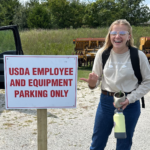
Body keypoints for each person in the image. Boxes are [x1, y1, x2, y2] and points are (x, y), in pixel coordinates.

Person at [80, 19, 150, 150]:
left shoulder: (138, 55)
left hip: (130, 104)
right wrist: (92, 84)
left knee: (123, 145)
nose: (118, 36)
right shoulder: (102, 53)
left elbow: (147, 81)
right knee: (97, 143)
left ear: (129, 36)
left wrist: (131, 98)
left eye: (122, 33)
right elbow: (95, 81)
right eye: (114, 33)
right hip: (106, 103)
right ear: (110, 35)